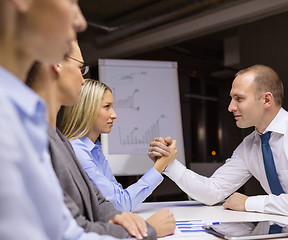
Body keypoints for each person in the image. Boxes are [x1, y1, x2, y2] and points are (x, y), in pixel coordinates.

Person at [0, 0, 131, 239]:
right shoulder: (13, 120)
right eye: (70, 2)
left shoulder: (26, 118)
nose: (80, 22)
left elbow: (64, 230)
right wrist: (145, 232)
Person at [27, 41, 176, 240]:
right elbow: (76, 227)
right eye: (81, 68)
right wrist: (146, 229)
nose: (83, 79)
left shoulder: (67, 143)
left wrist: (125, 220)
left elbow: (100, 202)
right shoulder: (50, 143)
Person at [148, 64, 288, 216]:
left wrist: (248, 203)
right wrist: (169, 164)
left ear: (266, 100)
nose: (230, 107)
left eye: (238, 99)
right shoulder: (251, 144)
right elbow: (212, 191)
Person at [59, 80, 178, 212]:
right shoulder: (77, 151)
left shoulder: (94, 148)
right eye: (107, 107)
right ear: (88, 109)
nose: (114, 115)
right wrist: (160, 165)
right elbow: (119, 204)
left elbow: (118, 195)